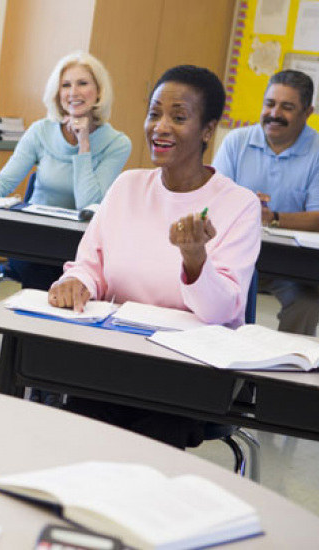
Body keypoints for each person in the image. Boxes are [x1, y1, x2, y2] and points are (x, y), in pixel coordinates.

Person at [48, 65, 261, 449]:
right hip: (114, 355)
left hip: (186, 371)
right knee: (73, 431)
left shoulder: (238, 205)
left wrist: (196, 262)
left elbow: (224, 312)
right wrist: (76, 282)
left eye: (178, 117)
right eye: (154, 113)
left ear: (208, 131)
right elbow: (89, 265)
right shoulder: (128, 185)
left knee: (145, 446)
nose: (160, 127)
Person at [0, 51, 131, 290]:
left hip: (79, 246)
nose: (73, 92)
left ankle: (29, 325)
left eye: (83, 83)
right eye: (66, 85)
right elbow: (3, 183)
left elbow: (89, 204)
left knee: (65, 276)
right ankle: (25, 327)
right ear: (57, 93)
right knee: (40, 272)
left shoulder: (117, 143)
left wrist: (84, 145)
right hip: (34, 239)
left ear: (99, 92)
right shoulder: (40, 131)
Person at [213, 69, 319, 336]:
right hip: (234, 252)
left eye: (287, 107)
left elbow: (317, 217)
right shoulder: (236, 142)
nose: (274, 114)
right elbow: (213, 199)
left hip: (290, 265)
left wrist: (271, 217)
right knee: (213, 289)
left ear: (308, 113)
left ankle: (286, 369)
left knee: (307, 303)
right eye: (270, 104)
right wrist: (246, 208)